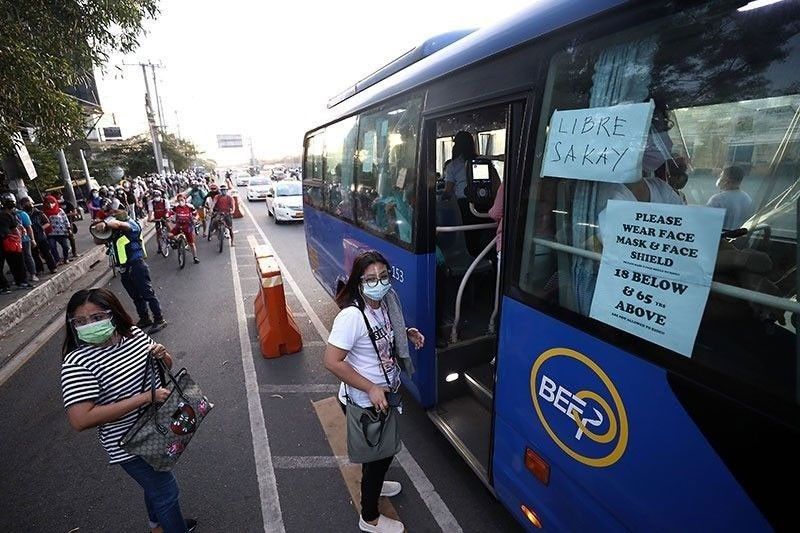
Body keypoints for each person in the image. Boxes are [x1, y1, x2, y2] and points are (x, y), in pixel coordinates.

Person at [60, 288, 196, 533]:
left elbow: (166, 365)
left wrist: (162, 354)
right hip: (129, 443)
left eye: (97, 317)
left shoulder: (133, 335)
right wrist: (143, 398)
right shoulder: (77, 363)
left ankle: (158, 526)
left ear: (114, 315)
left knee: (155, 485)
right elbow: (80, 419)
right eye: (80, 321)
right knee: (166, 491)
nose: (89, 325)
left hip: (157, 429)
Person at [323, 251, 423, 533]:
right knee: (378, 457)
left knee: (382, 453)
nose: (378, 283)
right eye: (370, 279)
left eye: (383, 277)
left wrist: (408, 333)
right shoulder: (352, 317)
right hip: (365, 400)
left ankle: (375, 483)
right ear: (359, 282)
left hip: (384, 394)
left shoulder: (384, 304)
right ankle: (369, 518)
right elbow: (331, 361)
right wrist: (370, 387)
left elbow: (381, 336)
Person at [93, 206, 167, 332]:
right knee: (136, 296)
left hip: (136, 265)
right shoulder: (115, 231)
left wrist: (105, 223)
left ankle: (159, 319)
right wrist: (97, 229)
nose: (113, 213)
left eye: (115, 212)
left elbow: (120, 223)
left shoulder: (131, 224)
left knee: (148, 294)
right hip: (124, 268)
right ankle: (144, 318)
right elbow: (98, 241)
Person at [1, 193, 33, 291]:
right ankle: (19, 282)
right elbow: (15, 230)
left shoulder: (11, 214)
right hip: (10, 242)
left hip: (9, 241)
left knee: (17, 263)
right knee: (17, 263)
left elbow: (17, 229)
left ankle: (8, 285)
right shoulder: (8, 215)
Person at [706, 165, 754, 230]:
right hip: (740, 239)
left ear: (726, 180)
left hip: (721, 238)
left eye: (721, 176)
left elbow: (706, 225)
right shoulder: (747, 199)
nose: (719, 179)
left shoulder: (717, 200)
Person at [19, 196, 57, 275]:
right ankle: (39, 269)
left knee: (46, 253)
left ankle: (52, 267)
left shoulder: (39, 213)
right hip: (30, 236)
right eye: (25, 204)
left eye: (28, 203)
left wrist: (41, 228)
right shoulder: (23, 214)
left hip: (41, 236)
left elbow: (47, 223)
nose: (27, 205)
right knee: (35, 254)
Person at [170, 193, 200, 264]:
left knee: (191, 244)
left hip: (188, 227)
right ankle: (177, 243)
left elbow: (196, 214)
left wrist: (195, 219)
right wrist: (169, 217)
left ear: (185, 200)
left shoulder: (190, 207)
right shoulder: (176, 207)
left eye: (182, 200)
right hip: (178, 226)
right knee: (169, 235)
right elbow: (170, 213)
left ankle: (195, 257)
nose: (180, 201)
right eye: (179, 200)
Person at [43, 194, 72, 265]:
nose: (50, 205)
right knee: (52, 247)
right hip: (50, 233)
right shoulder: (44, 213)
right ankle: (57, 260)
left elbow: (65, 220)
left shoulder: (60, 210)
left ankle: (66, 258)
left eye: (51, 202)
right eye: (48, 203)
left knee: (65, 246)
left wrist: (68, 228)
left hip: (62, 231)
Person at [147, 189, 171, 256]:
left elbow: (168, 210)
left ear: (160, 196)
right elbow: (150, 211)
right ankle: (159, 247)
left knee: (168, 227)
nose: (156, 197)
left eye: (157, 196)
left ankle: (171, 238)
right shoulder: (151, 202)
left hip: (164, 216)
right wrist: (149, 219)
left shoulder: (165, 201)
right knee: (158, 233)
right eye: (154, 196)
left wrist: (167, 216)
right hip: (157, 218)